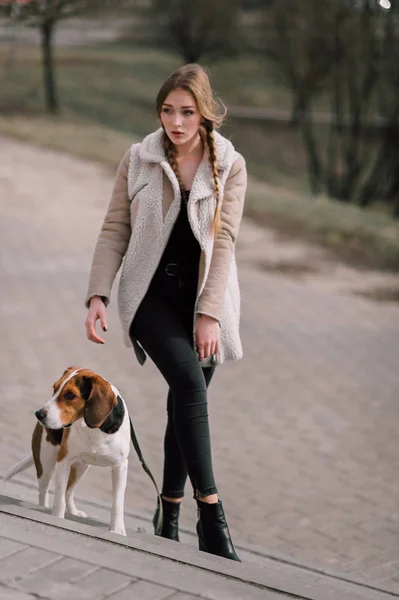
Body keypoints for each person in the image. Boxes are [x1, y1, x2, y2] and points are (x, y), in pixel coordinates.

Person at [85, 64, 247, 561]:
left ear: (204, 113)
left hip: (205, 302)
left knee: (185, 399)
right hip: (150, 296)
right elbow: (115, 228)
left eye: (187, 112)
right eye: (168, 111)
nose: (176, 122)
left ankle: (168, 512)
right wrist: (98, 295)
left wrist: (209, 313)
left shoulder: (228, 166)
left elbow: (223, 241)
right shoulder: (140, 159)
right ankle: (212, 516)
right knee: (191, 386)